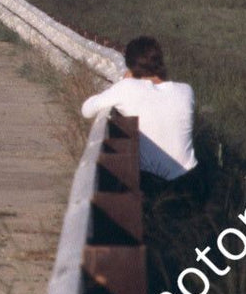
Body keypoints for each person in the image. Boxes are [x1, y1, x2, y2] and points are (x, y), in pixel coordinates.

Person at [80, 36, 198, 185]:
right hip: (190, 178)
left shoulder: (126, 88)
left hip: (152, 182)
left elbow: (87, 110)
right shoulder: (186, 91)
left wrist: (125, 82)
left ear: (130, 66)